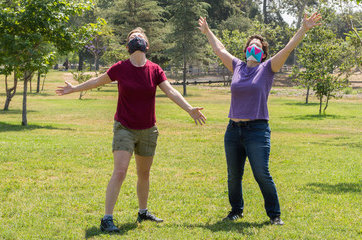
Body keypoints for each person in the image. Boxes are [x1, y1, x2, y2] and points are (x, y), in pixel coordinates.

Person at [56, 27, 206, 233]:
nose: (137, 38)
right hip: (124, 127)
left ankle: (143, 212)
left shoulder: (154, 69)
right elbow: (97, 81)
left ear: (147, 45)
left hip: (148, 129)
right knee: (120, 170)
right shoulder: (120, 68)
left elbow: (170, 91)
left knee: (144, 173)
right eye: (132, 37)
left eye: (140, 37)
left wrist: (189, 109)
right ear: (127, 46)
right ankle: (106, 218)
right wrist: (74, 88)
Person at [198, 13, 321, 225]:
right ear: (246, 50)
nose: (252, 47)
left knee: (261, 173)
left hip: (257, 130)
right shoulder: (237, 66)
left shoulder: (268, 69)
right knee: (233, 176)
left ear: (263, 54)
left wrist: (303, 29)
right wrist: (208, 32)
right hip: (233, 130)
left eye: (257, 46)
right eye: (250, 45)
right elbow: (220, 50)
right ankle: (236, 210)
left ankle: (275, 215)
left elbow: (288, 48)